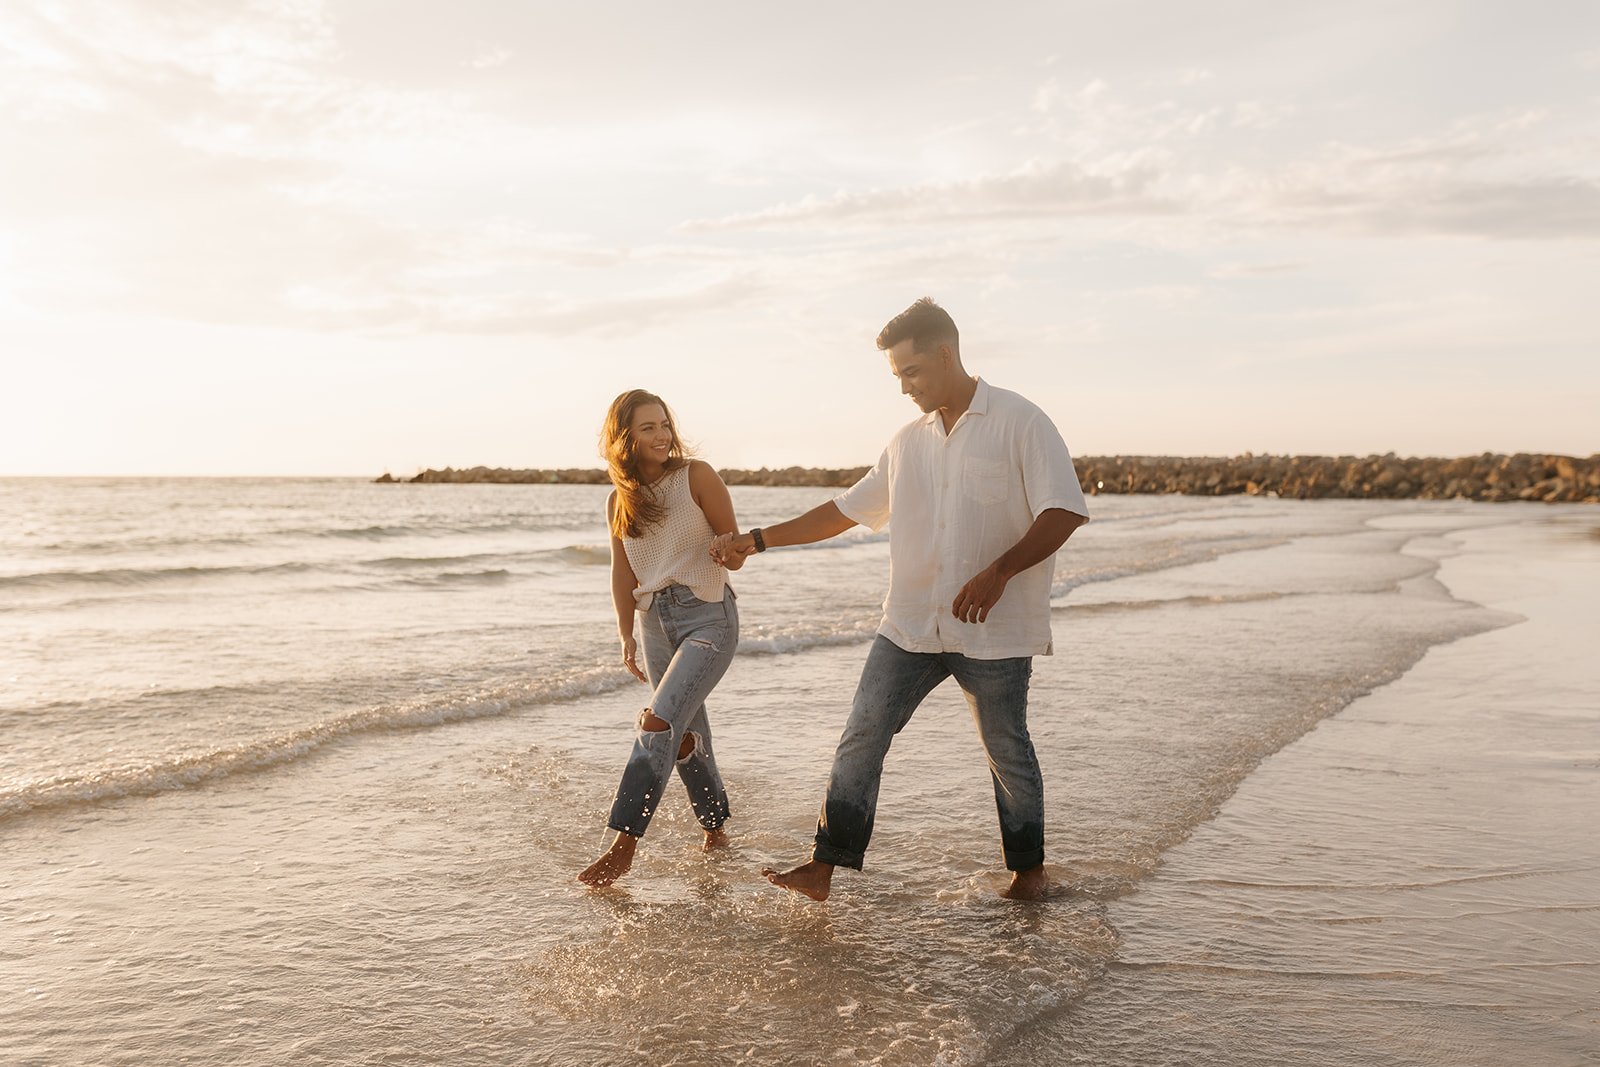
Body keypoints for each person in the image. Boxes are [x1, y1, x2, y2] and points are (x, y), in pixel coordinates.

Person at [712, 298, 1089, 902]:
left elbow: (1064, 510)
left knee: (1006, 750)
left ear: (946, 355)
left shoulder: (1021, 420)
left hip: (991, 628)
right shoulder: (906, 441)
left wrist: (999, 572)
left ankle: (1028, 874)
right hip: (909, 625)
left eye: (910, 373)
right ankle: (823, 865)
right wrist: (756, 541)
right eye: (897, 377)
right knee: (862, 733)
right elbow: (843, 510)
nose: (904, 388)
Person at [578, 388, 745, 888]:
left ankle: (623, 844)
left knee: (656, 723)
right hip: (654, 625)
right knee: (685, 736)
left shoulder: (697, 476)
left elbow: (735, 549)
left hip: (708, 617)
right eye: (648, 428)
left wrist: (728, 552)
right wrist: (624, 632)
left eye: (664, 425)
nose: (661, 436)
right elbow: (621, 570)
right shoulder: (619, 499)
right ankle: (715, 829)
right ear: (623, 437)